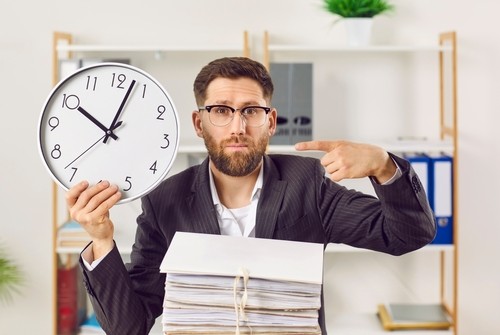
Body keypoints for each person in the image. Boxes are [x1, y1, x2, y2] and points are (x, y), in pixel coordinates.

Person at [67, 57, 436, 335]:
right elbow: (129, 327)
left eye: (251, 111)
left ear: (271, 121)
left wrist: (384, 166)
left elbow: (407, 234)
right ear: (200, 123)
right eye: (222, 112)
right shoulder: (165, 201)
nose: (238, 127)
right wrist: (101, 240)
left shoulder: (308, 184)